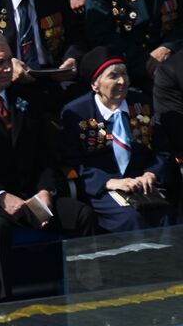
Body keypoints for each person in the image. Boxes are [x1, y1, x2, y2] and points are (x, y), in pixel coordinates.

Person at [0, 30, 95, 301]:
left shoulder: (26, 97)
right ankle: (3, 305)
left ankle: (86, 294)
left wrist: (46, 191)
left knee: (81, 214)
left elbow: (45, 155)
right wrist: (0, 196)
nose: (9, 68)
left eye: (10, 60)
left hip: (32, 196)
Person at [59, 46, 173, 234]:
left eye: (125, 74)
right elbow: (72, 161)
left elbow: (162, 150)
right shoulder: (77, 113)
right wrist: (109, 182)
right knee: (131, 218)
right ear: (95, 84)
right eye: (113, 76)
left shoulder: (142, 104)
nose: (122, 81)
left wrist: (151, 174)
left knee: (164, 213)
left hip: (143, 183)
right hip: (104, 188)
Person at [85, 0, 183, 84]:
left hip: (173, 61)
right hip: (129, 71)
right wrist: (146, 62)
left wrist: (169, 47)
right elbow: (100, 36)